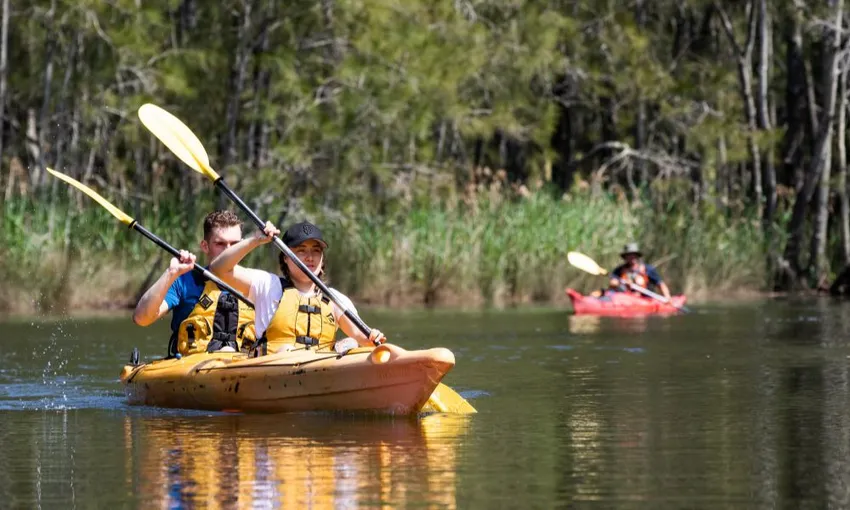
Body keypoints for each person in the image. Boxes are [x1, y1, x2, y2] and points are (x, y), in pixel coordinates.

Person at [209, 220, 385, 355]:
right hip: (273, 370)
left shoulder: (335, 299)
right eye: (301, 250)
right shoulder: (267, 285)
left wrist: (372, 337)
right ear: (286, 257)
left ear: (322, 258)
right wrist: (254, 240)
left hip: (322, 373)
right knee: (286, 349)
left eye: (316, 251)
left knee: (352, 345)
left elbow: (362, 337)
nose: (310, 257)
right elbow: (219, 269)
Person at [133, 210, 256, 357]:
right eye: (220, 243)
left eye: (235, 244)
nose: (229, 250)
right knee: (226, 352)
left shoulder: (258, 283)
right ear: (205, 246)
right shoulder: (184, 281)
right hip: (192, 368)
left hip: (246, 366)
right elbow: (142, 318)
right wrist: (171, 273)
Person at [608, 242, 672, 301]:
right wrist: (620, 283)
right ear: (625, 257)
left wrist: (667, 297)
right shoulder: (619, 270)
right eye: (629, 255)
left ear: (637, 256)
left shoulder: (648, 269)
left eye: (633, 254)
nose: (631, 257)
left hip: (644, 299)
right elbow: (612, 283)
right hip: (626, 299)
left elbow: (660, 284)